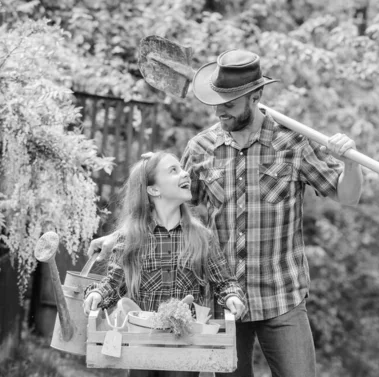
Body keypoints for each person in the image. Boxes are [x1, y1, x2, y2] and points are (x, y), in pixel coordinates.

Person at [89, 49, 363, 377]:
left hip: (282, 296)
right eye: (217, 102)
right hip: (222, 300)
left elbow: (348, 195)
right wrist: (118, 237)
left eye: (230, 105)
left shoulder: (293, 144)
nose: (220, 112)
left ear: (256, 96)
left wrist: (350, 161)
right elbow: (167, 212)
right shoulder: (202, 149)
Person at [83, 151, 246, 377]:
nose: (185, 173)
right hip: (142, 345)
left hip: (185, 347)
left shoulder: (202, 237)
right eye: (173, 170)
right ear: (154, 190)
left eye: (181, 168)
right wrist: (98, 295)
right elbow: (114, 284)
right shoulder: (131, 238)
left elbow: (224, 281)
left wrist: (232, 296)